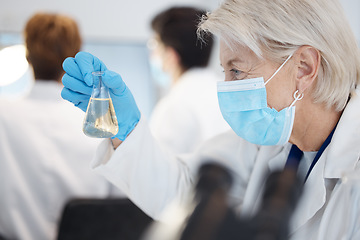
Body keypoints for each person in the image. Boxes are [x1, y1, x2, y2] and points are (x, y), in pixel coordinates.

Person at [61, 0, 360, 239]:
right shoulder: (269, 144)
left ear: (304, 67)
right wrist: (124, 131)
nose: (227, 87)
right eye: (225, 71)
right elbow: (186, 196)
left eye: (238, 71)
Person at [0, 13, 124, 240]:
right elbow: (121, 203)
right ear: (76, 59)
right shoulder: (103, 125)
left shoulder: (3, 117)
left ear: (27, 55)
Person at [148, 7, 229, 154]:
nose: (152, 55)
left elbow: (158, 171)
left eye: (155, 46)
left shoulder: (173, 106)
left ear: (171, 55)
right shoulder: (227, 92)